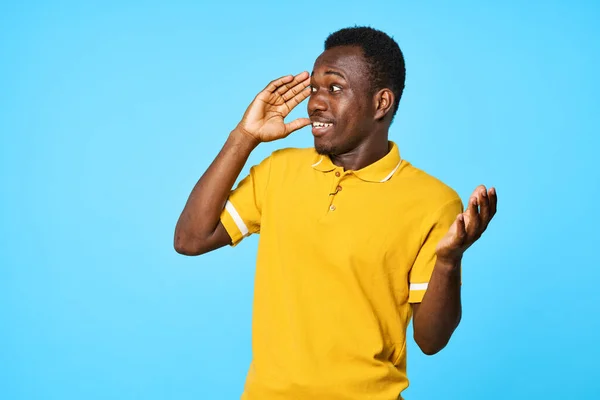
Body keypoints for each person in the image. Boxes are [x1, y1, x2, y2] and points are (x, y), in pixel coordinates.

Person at [174, 26, 497, 400]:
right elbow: (190, 239)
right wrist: (244, 137)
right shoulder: (280, 171)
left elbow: (431, 340)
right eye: (313, 88)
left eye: (335, 88)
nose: (315, 102)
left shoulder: (433, 201)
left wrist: (448, 261)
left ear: (381, 103)